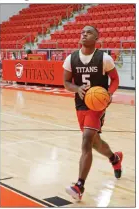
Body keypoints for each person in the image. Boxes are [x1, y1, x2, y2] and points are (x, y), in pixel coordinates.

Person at [63, 25, 123, 201]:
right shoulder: (71, 58)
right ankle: (114, 158)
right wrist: (76, 88)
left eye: (89, 32)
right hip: (80, 105)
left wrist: (109, 93)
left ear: (97, 38)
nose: (84, 34)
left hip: (97, 106)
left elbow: (115, 79)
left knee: (86, 140)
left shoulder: (104, 58)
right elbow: (66, 82)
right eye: (82, 32)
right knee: (95, 143)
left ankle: (79, 186)